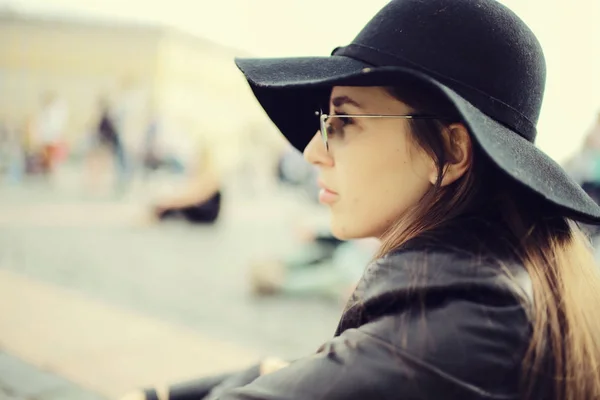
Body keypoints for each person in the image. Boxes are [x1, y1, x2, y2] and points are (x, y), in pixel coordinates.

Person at [121, 1, 600, 399]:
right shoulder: (494, 285)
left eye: (343, 122)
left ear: (451, 151)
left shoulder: (472, 315)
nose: (311, 150)